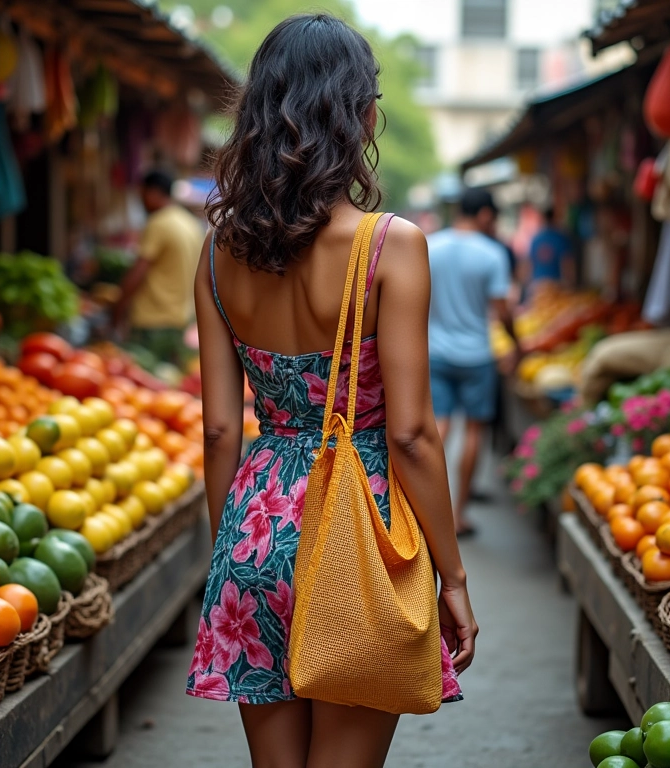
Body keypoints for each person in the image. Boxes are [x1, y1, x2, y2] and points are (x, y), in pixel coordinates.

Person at [186, 14, 477, 768]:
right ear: (360, 113)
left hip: (254, 525)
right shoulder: (392, 245)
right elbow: (412, 435)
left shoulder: (219, 251)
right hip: (361, 525)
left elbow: (221, 430)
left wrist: (236, 556)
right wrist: (453, 577)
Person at [428, 188, 519, 537]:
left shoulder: (430, 246)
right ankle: (457, 516)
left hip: (435, 351)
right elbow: (502, 310)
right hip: (478, 356)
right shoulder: (492, 254)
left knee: (439, 428)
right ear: (484, 215)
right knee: (474, 432)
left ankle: (425, 511)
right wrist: (515, 342)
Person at [112, 169, 205, 366]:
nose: (141, 201)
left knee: (142, 388)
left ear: (153, 193)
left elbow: (138, 272)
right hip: (180, 319)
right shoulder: (189, 223)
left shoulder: (158, 223)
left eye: (142, 194)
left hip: (152, 320)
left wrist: (117, 311)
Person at [525, 206, 575, 290]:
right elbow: (566, 263)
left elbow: (530, 264)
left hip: (538, 284)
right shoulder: (561, 238)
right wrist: (570, 284)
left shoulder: (536, 239)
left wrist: (528, 283)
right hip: (556, 284)